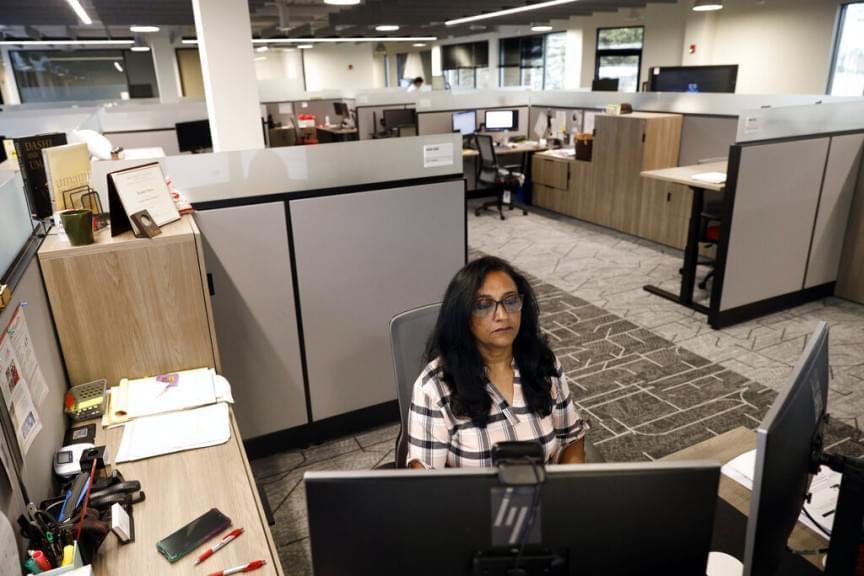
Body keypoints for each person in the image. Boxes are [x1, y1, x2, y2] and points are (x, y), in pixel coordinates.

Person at [407, 256, 589, 469]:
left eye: (510, 300)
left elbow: (571, 438)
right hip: (472, 502)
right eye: (484, 305)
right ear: (463, 315)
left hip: (544, 496)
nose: (502, 315)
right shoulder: (434, 386)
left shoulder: (543, 364)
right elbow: (426, 485)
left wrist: (568, 490)